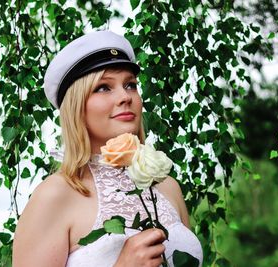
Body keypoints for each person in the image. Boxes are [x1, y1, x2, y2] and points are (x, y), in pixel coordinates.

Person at [12, 31, 203, 266]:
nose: (125, 96)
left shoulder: (167, 186)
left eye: (131, 85)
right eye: (104, 87)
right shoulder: (54, 195)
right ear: (76, 106)